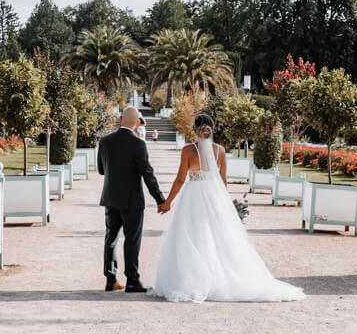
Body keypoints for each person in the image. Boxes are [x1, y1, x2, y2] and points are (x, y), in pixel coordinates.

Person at [149, 113, 305, 303]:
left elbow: (181, 179)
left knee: (191, 235)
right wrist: (222, 204)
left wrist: (168, 202)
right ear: (212, 129)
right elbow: (222, 181)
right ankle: (217, 278)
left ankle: (192, 279)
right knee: (217, 237)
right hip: (214, 195)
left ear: (194, 130)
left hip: (193, 196)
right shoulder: (220, 151)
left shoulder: (188, 150)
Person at [97, 105, 168, 292]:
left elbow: (101, 170)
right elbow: (148, 174)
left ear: (120, 119)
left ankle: (110, 280)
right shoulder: (138, 144)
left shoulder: (105, 141)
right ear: (137, 123)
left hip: (111, 198)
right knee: (132, 240)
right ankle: (132, 280)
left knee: (110, 238)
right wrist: (160, 199)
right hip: (132, 200)